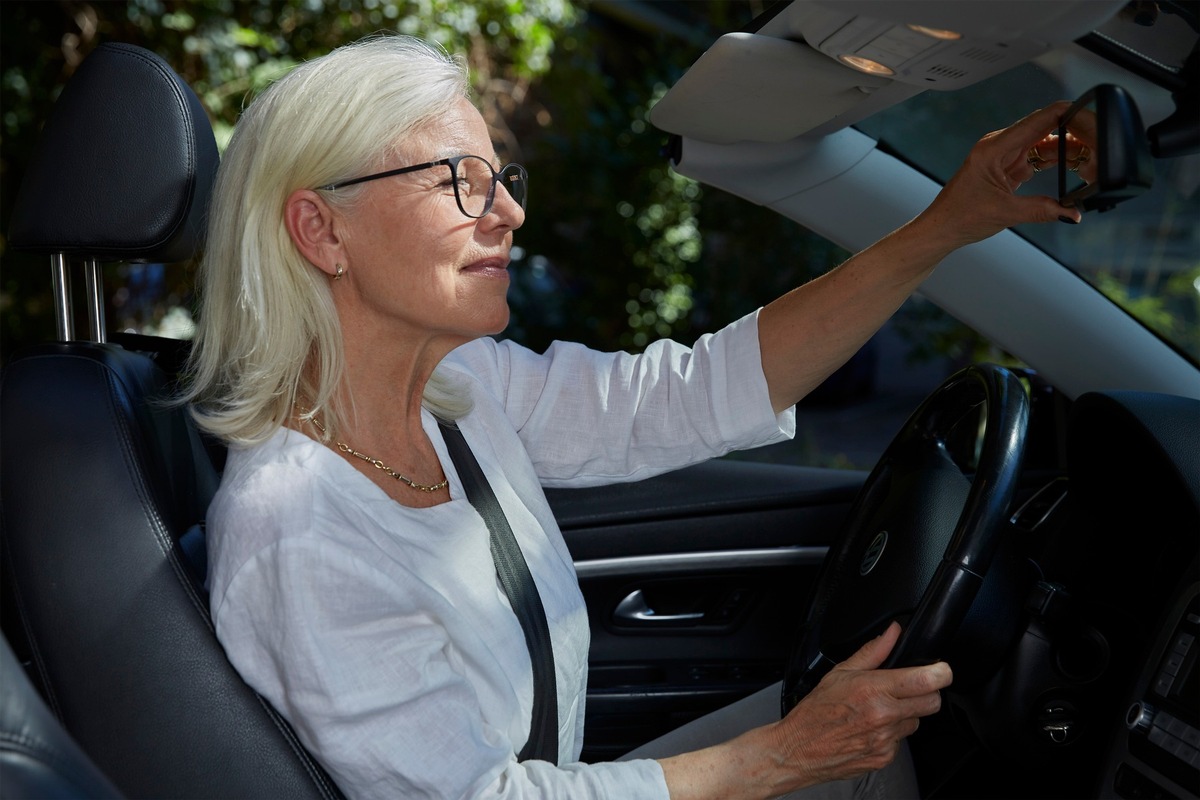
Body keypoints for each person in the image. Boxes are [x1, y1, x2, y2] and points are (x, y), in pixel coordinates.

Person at [180, 33, 1081, 800]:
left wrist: (945, 226)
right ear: (320, 232)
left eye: (501, 178)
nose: (510, 212)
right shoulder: (296, 529)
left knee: (882, 739)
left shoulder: (462, 392)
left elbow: (684, 396)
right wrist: (782, 756)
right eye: (458, 180)